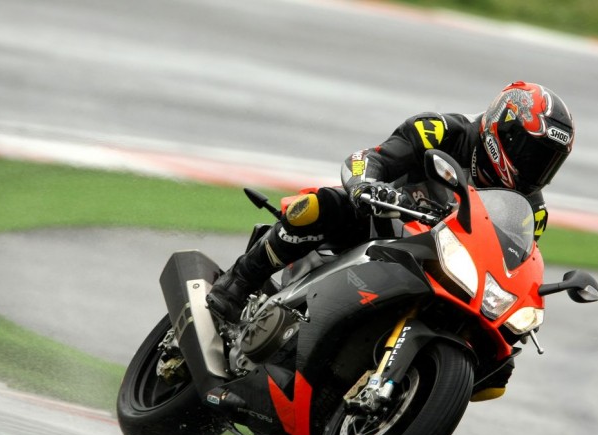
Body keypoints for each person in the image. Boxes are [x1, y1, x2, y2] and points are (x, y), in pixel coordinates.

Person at [206, 81, 574, 398]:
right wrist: (366, 186)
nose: (535, 168)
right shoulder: (440, 131)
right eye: (531, 153)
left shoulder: (532, 211)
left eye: (548, 161)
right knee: (317, 206)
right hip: (381, 227)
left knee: (495, 370)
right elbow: (368, 158)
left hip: (445, 267)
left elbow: (511, 262)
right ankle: (240, 281)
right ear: (501, 130)